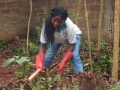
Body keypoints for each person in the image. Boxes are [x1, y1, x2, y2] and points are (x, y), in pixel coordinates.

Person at [35, 6, 84, 74]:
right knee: (49, 55)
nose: (56, 23)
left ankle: (82, 77)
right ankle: (41, 72)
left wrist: (63, 62)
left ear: (64, 21)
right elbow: (43, 45)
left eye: (59, 22)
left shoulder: (69, 26)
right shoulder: (47, 25)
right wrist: (40, 61)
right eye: (54, 20)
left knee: (75, 56)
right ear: (51, 17)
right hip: (57, 38)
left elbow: (72, 45)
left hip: (74, 36)